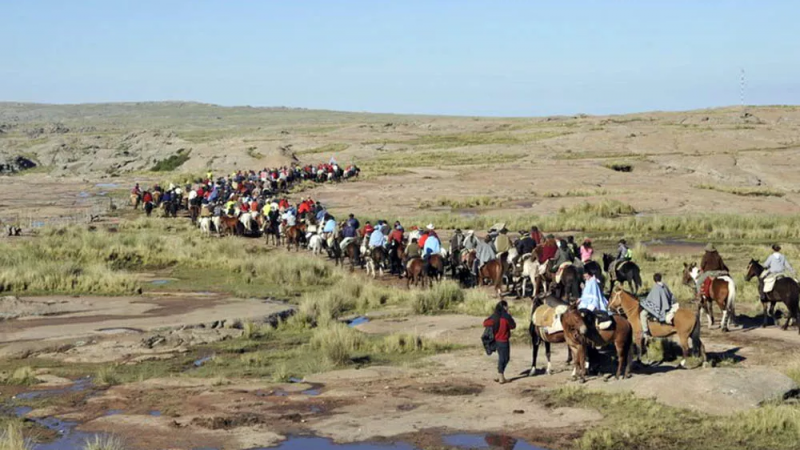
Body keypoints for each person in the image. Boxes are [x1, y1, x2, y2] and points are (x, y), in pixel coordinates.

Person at [482, 300, 516, 384]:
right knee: (505, 358)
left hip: (497, 340)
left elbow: (485, 323)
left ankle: (500, 375)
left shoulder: (495, 316)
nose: (507, 307)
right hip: (504, 340)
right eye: (506, 306)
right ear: (504, 307)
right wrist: (510, 316)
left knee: (503, 358)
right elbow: (513, 326)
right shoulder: (506, 317)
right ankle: (501, 376)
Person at [640, 273, 675, 338]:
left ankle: (646, 332)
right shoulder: (665, 285)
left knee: (642, 314)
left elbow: (652, 301)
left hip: (659, 309)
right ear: (660, 278)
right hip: (667, 306)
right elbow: (670, 295)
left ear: (654, 280)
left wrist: (643, 301)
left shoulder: (655, 288)